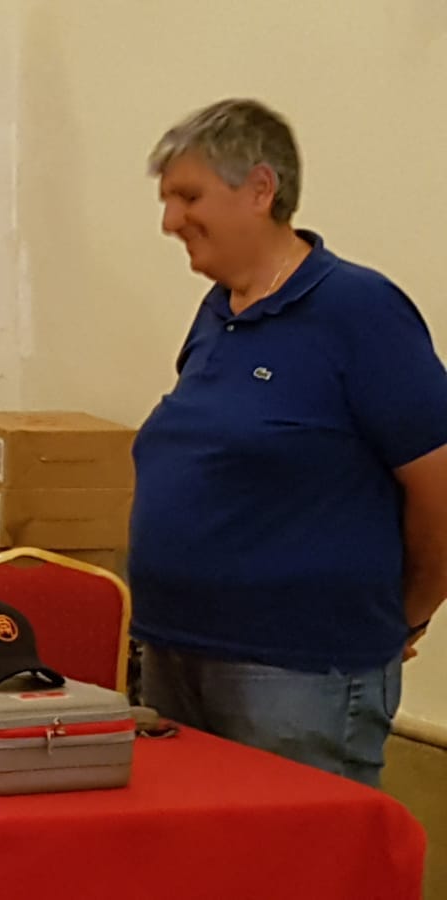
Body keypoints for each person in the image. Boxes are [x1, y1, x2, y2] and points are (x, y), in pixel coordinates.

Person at [132, 98, 447, 785]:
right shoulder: (219, 313)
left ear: (260, 189)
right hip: (177, 653)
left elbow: (439, 488)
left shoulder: (359, 311)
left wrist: (406, 615)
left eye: (188, 197)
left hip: (299, 674)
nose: (170, 221)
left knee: (298, 847)